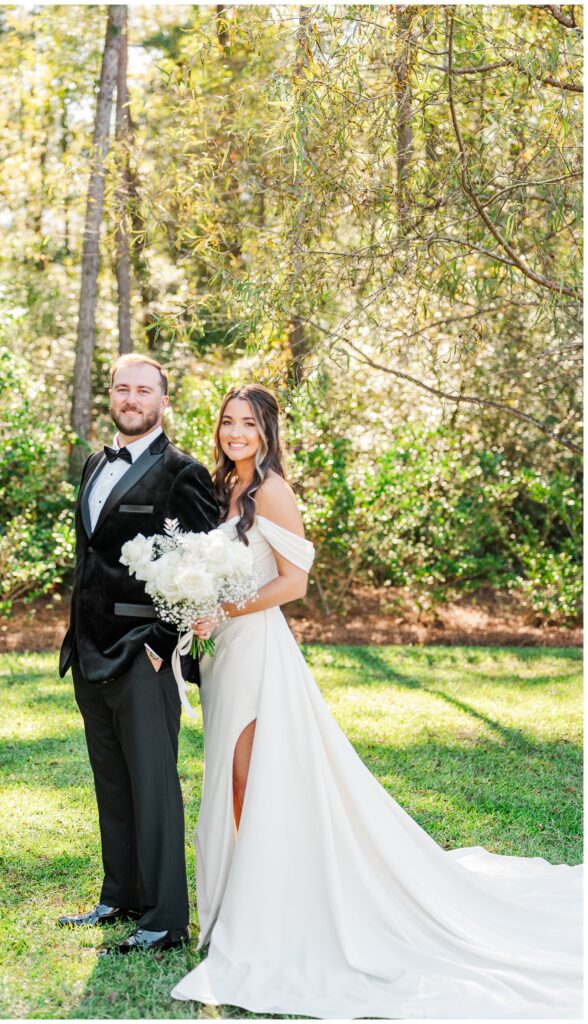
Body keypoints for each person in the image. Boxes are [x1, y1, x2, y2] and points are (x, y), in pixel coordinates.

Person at [171, 383, 582, 1018]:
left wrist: (224, 607)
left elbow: (295, 583)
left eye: (247, 424)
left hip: (255, 645)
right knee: (228, 772)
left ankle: (263, 908)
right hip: (223, 650)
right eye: (228, 422)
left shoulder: (272, 491)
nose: (235, 433)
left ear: (267, 432)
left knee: (248, 770)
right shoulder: (223, 489)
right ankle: (238, 900)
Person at [57, 354, 218, 954]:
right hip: (89, 650)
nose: (131, 397)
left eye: (143, 389)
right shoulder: (96, 463)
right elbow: (90, 557)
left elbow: (204, 571)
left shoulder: (184, 473)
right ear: (112, 395)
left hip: (142, 654)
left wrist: (162, 646)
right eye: (122, 388)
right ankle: (119, 894)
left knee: (153, 784)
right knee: (112, 782)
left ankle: (165, 919)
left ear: (162, 401)